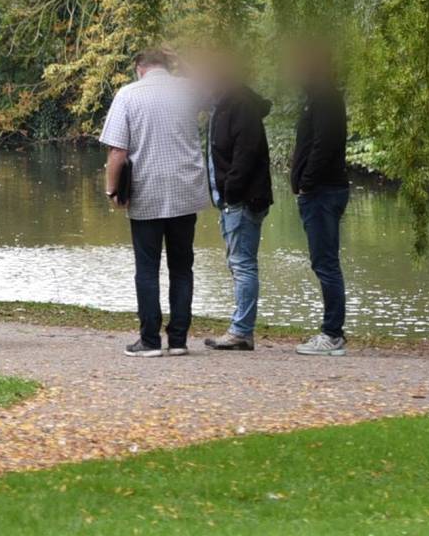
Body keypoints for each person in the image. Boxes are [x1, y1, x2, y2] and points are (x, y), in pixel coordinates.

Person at [100, 47, 212, 357]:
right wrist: (183, 59)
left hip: (147, 192)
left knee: (147, 269)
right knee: (182, 267)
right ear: (166, 65)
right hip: (185, 192)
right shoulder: (187, 89)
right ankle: (178, 340)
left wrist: (112, 190)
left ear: (139, 67)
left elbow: (117, 152)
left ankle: (149, 340)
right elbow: (211, 85)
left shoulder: (128, 95)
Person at [286, 42, 352, 356]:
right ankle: (331, 331)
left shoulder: (325, 98)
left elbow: (324, 145)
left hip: (323, 192)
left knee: (325, 263)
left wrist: (307, 184)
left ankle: (332, 334)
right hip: (319, 191)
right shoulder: (317, 97)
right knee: (323, 262)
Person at [203, 56, 273, 351]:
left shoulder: (239, 105)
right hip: (236, 199)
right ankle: (241, 328)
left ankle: (241, 331)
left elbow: (243, 155)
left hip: (242, 200)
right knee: (240, 263)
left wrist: (231, 192)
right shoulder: (227, 103)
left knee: (243, 265)